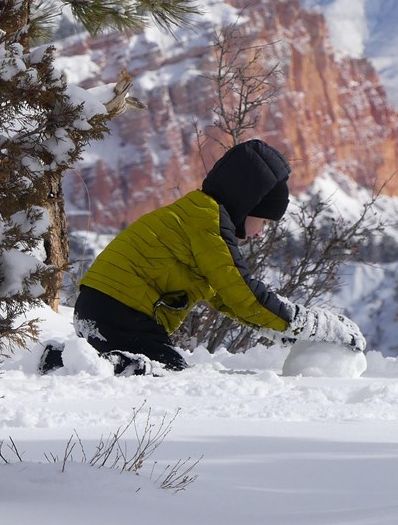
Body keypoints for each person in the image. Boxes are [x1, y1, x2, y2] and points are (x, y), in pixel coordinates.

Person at [39, 139, 365, 375]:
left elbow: (228, 299)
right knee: (165, 374)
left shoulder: (200, 215)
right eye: (263, 221)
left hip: (103, 307)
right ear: (248, 203)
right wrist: (313, 326)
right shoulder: (207, 224)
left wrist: (287, 331)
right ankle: (64, 362)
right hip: (119, 312)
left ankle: (78, 361)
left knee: (163, 368)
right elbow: (244, 294)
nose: (260, 233)